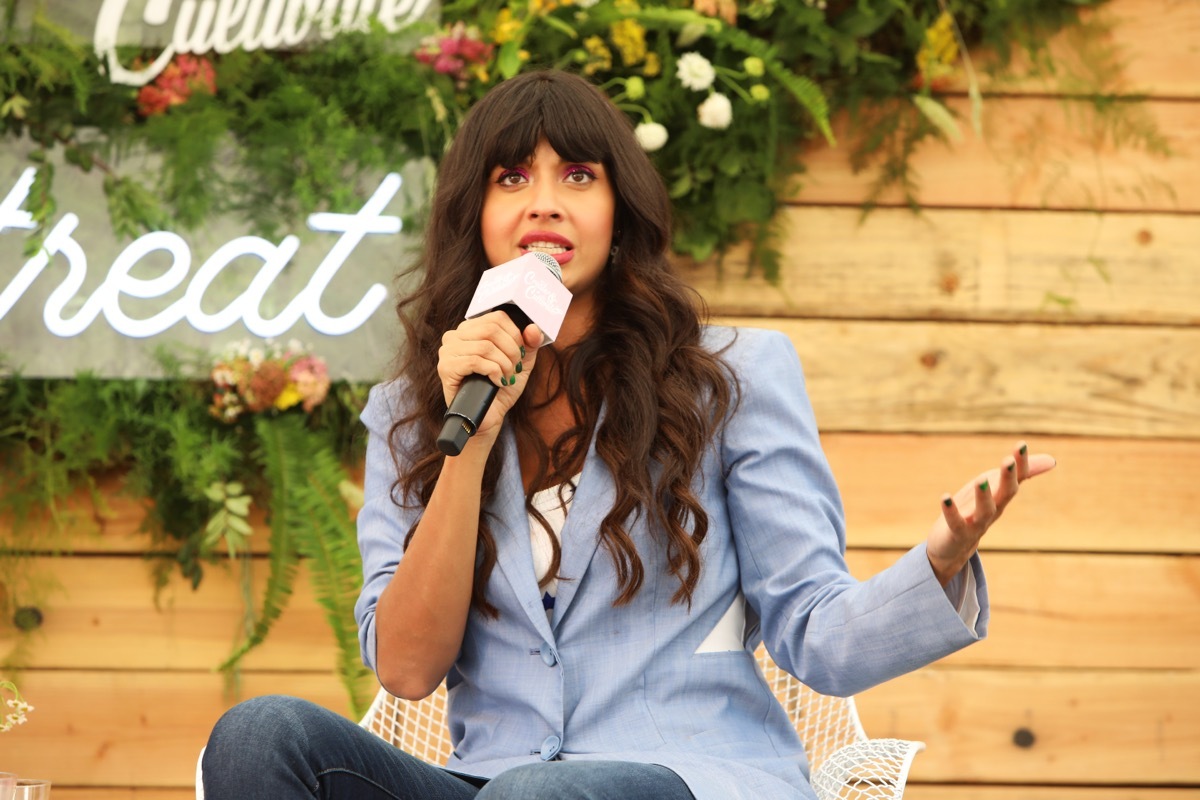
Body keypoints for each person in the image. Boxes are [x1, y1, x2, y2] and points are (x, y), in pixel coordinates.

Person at [202, 69, 1055, 800]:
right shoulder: (413, 410)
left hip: (682, 774)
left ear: (618, 211)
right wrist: (470, 434)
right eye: (511, 178)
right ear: (476, 214)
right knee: (259, 738)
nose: (544, 203)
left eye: (577, 176)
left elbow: (815, 634)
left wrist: (938, 565)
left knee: (545, 793)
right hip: (495, 780)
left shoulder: (733, 378)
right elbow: (408, 670)